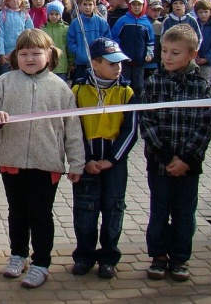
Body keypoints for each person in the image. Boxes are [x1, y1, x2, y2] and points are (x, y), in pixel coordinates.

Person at [0, 29, 85, 289]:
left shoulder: (61, 88)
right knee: (17, 212)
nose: (29, 58)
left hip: (47, 163)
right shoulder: (4, 82)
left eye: (36, 53)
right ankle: (18, 255)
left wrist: (77, 162)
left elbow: (72, 128)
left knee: (41, 214)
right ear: (16, 56)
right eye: (24, 53)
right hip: (11, 160)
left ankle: (41, 263)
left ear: (49, 54)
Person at [140, 25, 211, 282]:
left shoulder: (202, 86)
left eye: (175, 52)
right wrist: (166, 156)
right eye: (164, 51)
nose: (167, 57)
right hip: (160, 164)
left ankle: (180, 258)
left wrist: (187, 160)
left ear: (192, 54)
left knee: (184, 214)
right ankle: (158, 256)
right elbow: (147, 122)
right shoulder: (153, 82)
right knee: (159, 212)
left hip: (188, 166)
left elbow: (205, 125)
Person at [71, 38, 137, 280]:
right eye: (111, 63)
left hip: (114, 165)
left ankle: (109, 258)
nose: (118, 68)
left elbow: (131, 130)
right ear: (95, 63)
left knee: (113, 210)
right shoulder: (77, 91)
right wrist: (85, 159)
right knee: (85, 212)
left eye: (120, 63)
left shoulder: (126, 92)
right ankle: (84, 256)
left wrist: (112, 159)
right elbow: (73, 129)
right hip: (87, 163)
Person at [111, 0, 154, 96]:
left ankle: (137, 105)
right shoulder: (123, 21)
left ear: (144, 6)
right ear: (129, 5)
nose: (136, 7)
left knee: (138, 86)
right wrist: (119, 54)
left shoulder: (146, 23)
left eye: (139, 4)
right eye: (134, 4)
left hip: (139, 62)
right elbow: (114, 38)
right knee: (124, 85)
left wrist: (149, 54)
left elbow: (150, 42)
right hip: (124, 61)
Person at [67, 0, 112, 83]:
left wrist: (101, 53)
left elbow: (107, 40)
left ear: (94, 5)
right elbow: (71, 41)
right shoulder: (75, 23)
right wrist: (78, 51)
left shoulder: (101, 22)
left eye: (90, 4)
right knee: (80, 85)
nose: (87, 7)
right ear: (79, 6)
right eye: (84, 4)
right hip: (81, 62)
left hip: (97, 62)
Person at [42, 0, 71, 81]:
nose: (54, 16)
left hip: (62, 65)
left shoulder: (66, 29)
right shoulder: (43, 30)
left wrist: (71, 62)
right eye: (51, 14)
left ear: (60, 15)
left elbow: (68, 46)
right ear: (48, 15)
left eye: (57, 14)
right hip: (47, 65)